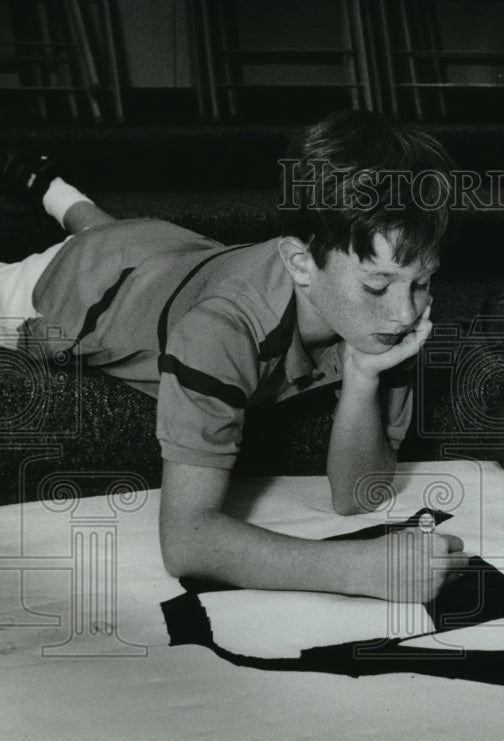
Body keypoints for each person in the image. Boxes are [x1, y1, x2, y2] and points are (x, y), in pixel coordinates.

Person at [0, 111, 468, 601]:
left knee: (113, 232)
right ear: (301, 265)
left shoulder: (382, 307)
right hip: (82, 283)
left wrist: (363, 376)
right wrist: (358, 569)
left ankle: (46, 183)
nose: (405, 312)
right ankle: (50, 189)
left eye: (422, 281)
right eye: (378, 285)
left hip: (172, 246)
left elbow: (357, 496)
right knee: (94, 243)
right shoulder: (220, 330)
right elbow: (185, 541)